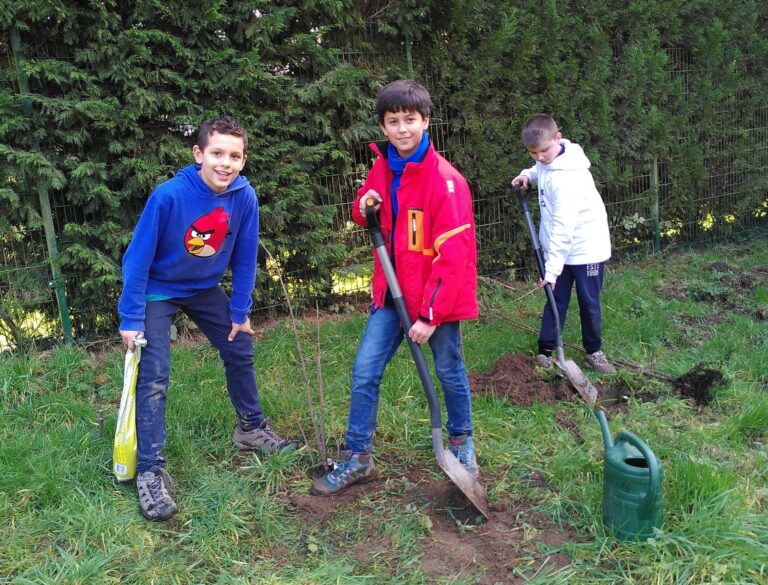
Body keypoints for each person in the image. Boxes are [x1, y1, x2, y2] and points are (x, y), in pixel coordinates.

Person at [118, 115, 295, 521]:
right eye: (217, 153)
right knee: (156, 374)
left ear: (243, 159)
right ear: (199, 154)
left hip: (203, 289)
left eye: (235, 156)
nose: (225, 163)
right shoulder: (168, 196)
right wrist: (131, 316)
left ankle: (250, 428)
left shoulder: (244, 197)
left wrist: (239, 311)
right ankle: (150, 469)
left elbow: (245, 255)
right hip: (158, 290)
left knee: (240, 346)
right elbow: (138, 258)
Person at [311, 79, 479, 496]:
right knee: (365, 370)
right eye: (393, 121)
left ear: (425, 121)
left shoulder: (446, 181)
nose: (402, 129)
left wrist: (429, 316)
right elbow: (364, 204)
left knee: (448, 371)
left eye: (409, 120)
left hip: (435, 301)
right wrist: (363, 205)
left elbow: (454, 257)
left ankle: (461, 441)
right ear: (383, 127)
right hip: (391, 294)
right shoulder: (384, 165)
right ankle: (358, 457)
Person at [511, 113, 616, 374]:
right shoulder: (549, 160)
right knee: (555, 297)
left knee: (588, 301)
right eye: (532, 153)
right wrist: (527, 175)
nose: (539, 157)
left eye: (543, 151)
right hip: (561, 249)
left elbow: (563, 229)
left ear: (558, 138)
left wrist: (551, 270)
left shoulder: (568, 178)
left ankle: (594, 351)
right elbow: (540, 170)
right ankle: (546, 351)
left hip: (585, 249)